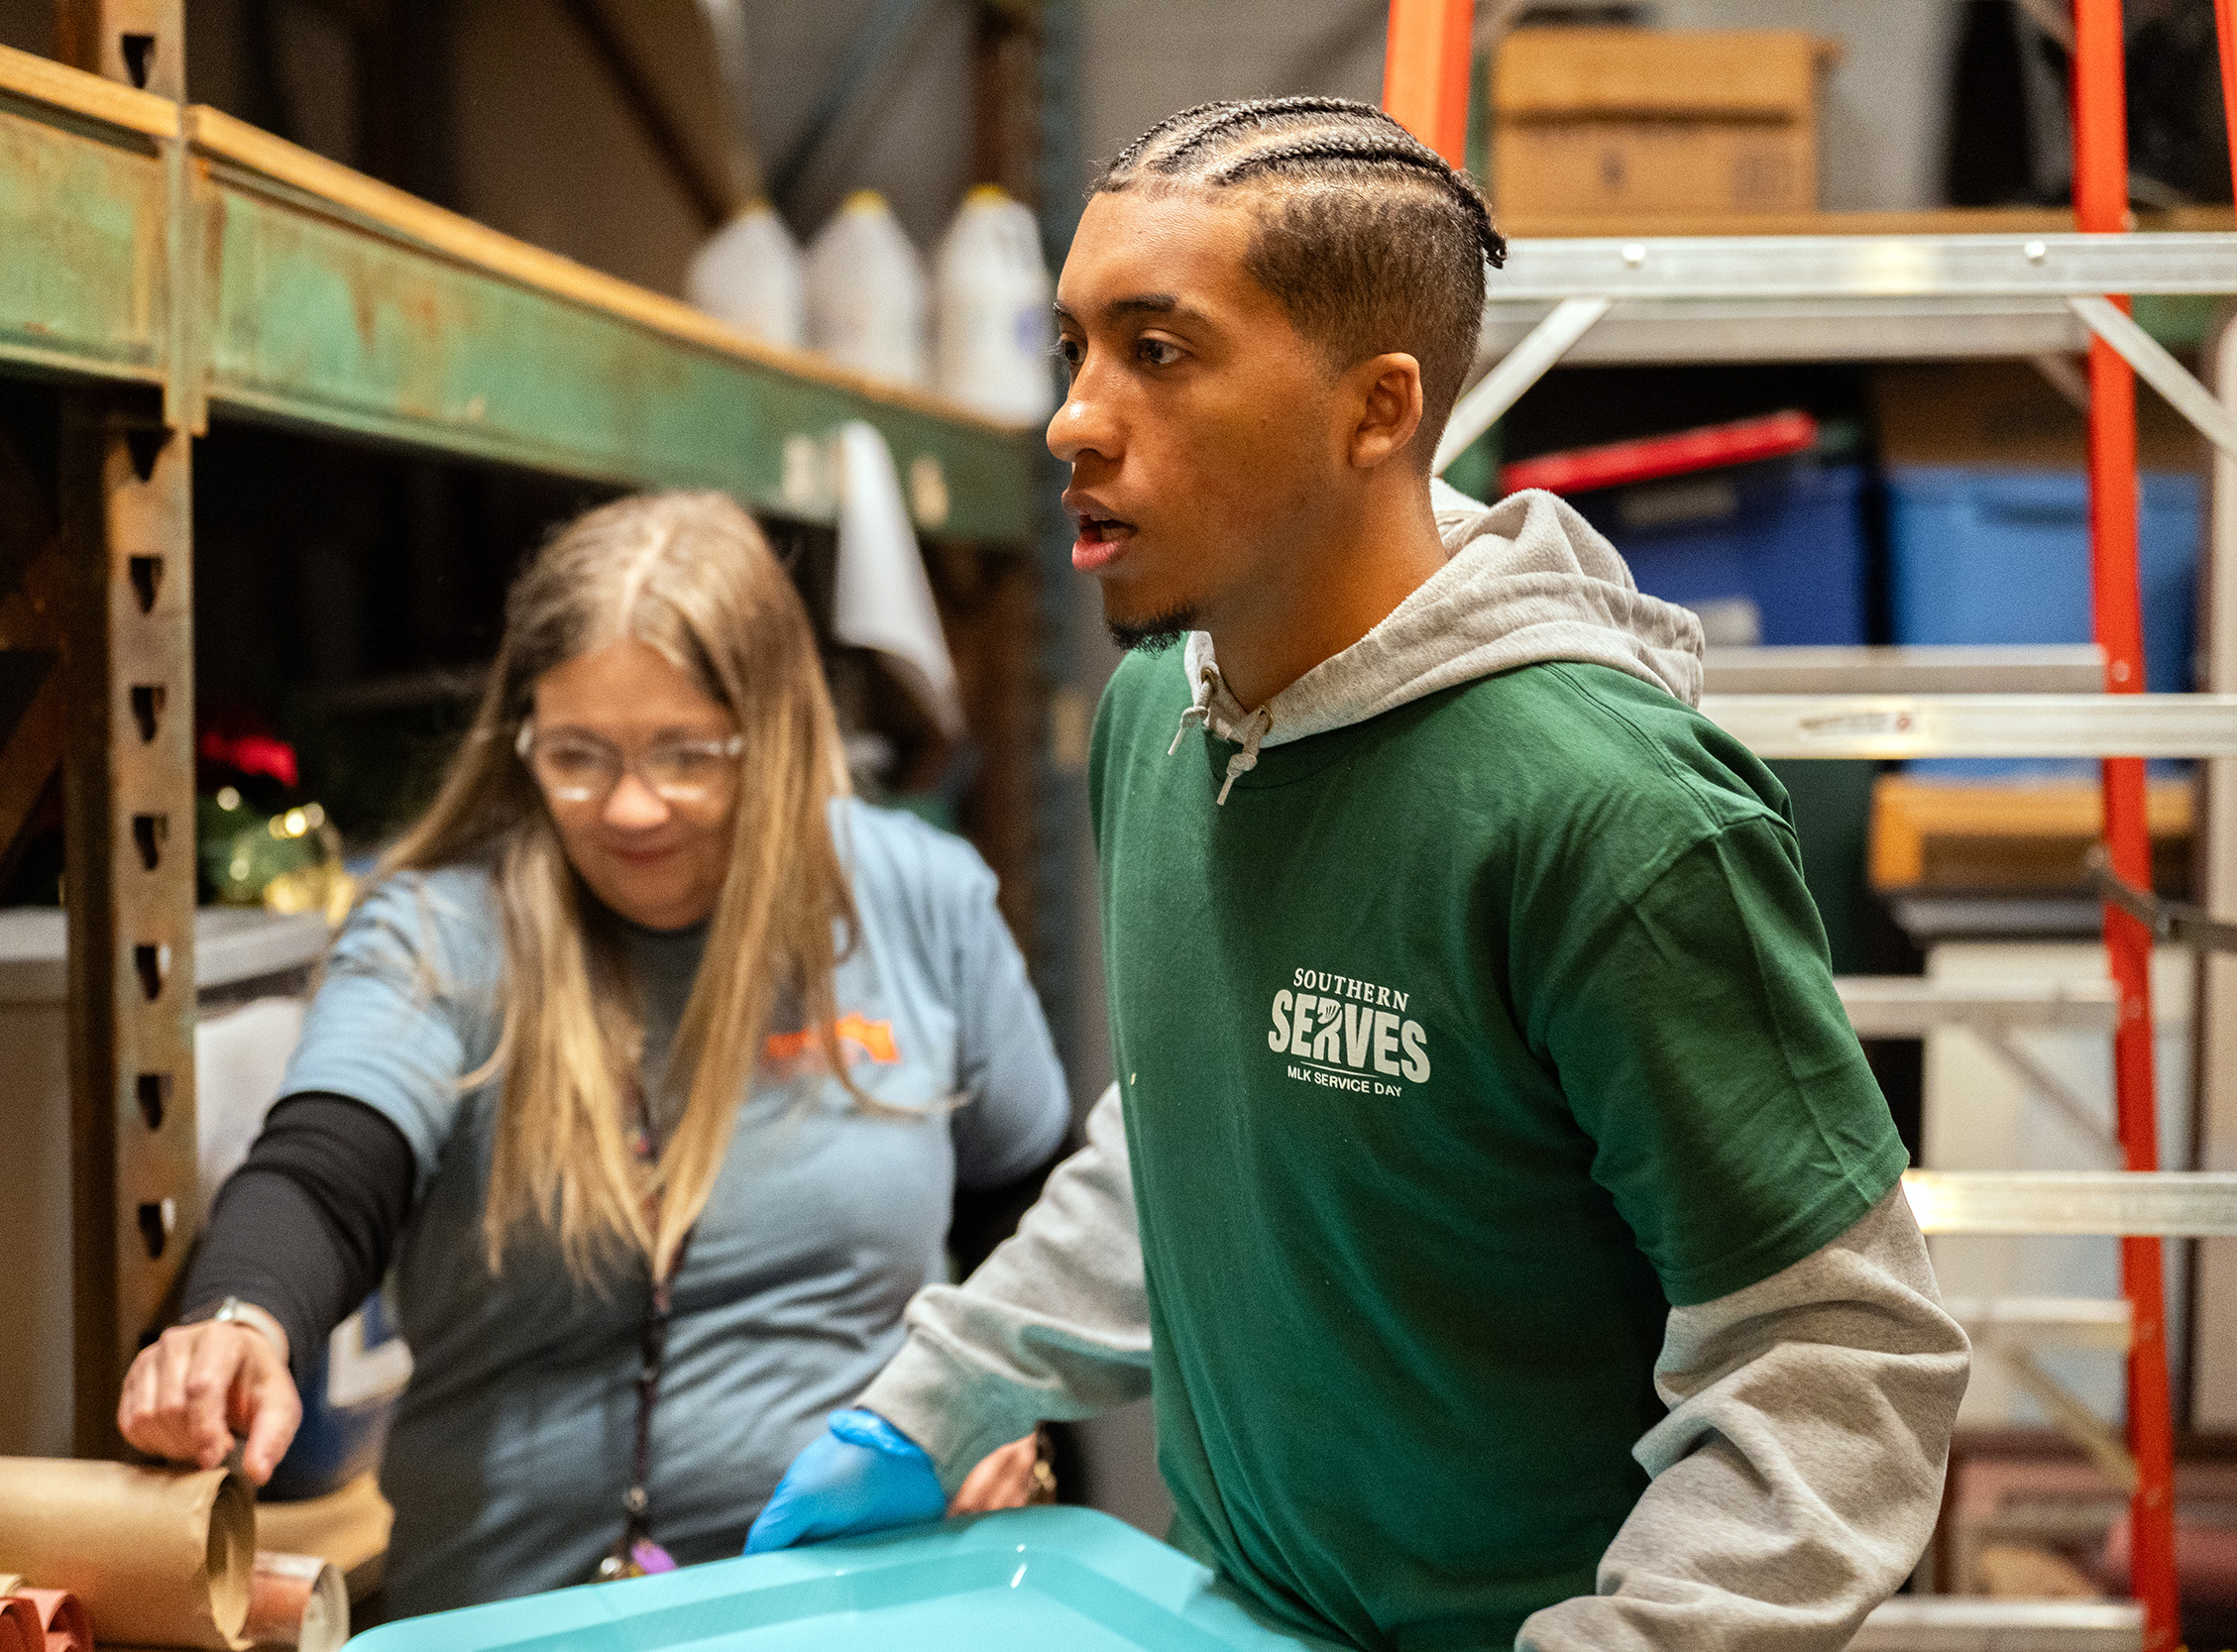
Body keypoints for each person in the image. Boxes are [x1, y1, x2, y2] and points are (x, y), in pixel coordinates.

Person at [745, 96, 1971, 1652]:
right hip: (1230, 1612)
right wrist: (942, 1396)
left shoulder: (1608, 811)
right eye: (1074, 348)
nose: (1074, 417)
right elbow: (1198, 1134)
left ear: (1377, 410)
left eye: (1159, 350)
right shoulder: (1158, 718)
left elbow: (1840, 1349)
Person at [117, 492, 1069, 1614]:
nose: (629, 806)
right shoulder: (442, 932)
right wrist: (240, 1319)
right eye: (576, 755)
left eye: (685, 754)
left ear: (776, 732)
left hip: (871, 1601)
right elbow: (328, 1171)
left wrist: (1013, 1422)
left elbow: (1033, 1223)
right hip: (518, 1610)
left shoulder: (918, 899)